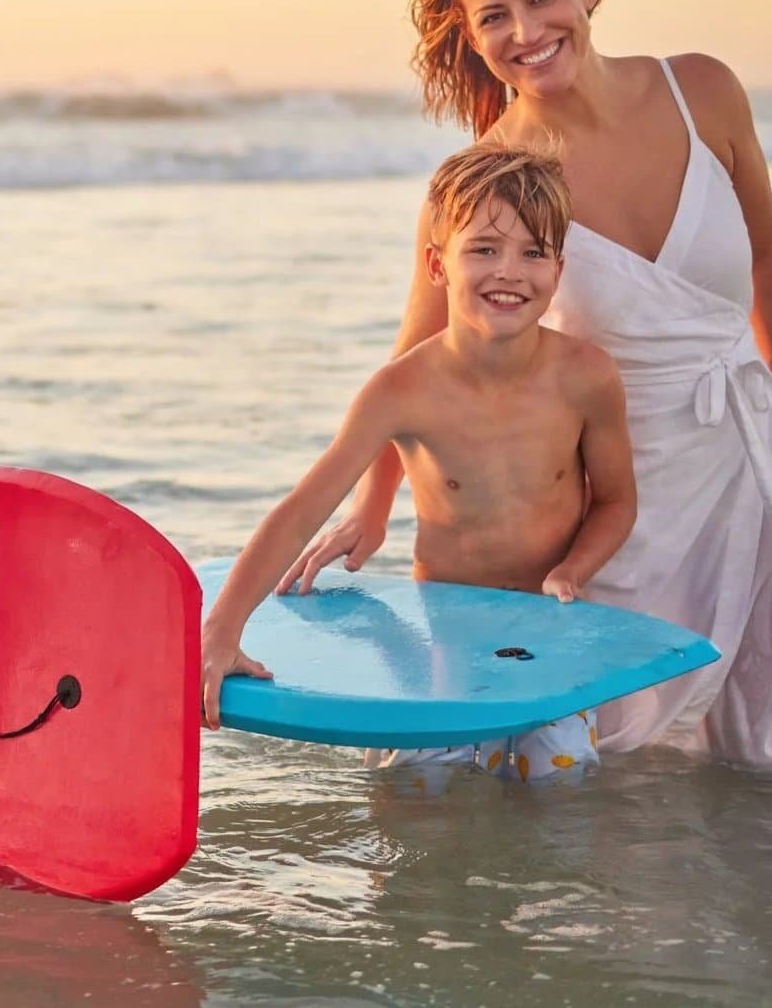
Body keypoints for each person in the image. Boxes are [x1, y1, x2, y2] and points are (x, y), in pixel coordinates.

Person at [284, 0, 772, 774]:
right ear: (470, 37)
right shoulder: (481, 180)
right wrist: (374, 502)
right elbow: (419, 362)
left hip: (741, 450)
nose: (525, 31)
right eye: (492, 16)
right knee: (597, 736)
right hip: (612, 495)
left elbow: (770, 262)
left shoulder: (702, 92)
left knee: (750, 746)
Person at [199, 144, 637, 786]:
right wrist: (223, 628)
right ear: (438, 263)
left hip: (549, 639)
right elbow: (300, 513)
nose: (509, 271)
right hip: (446, 634)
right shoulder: (401, 391)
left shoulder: (586, 377)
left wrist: (573, 570)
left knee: (560, 796)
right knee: (416, 800)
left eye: (533, 252)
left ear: (559, 268)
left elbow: (617, 501)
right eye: (484, 249)